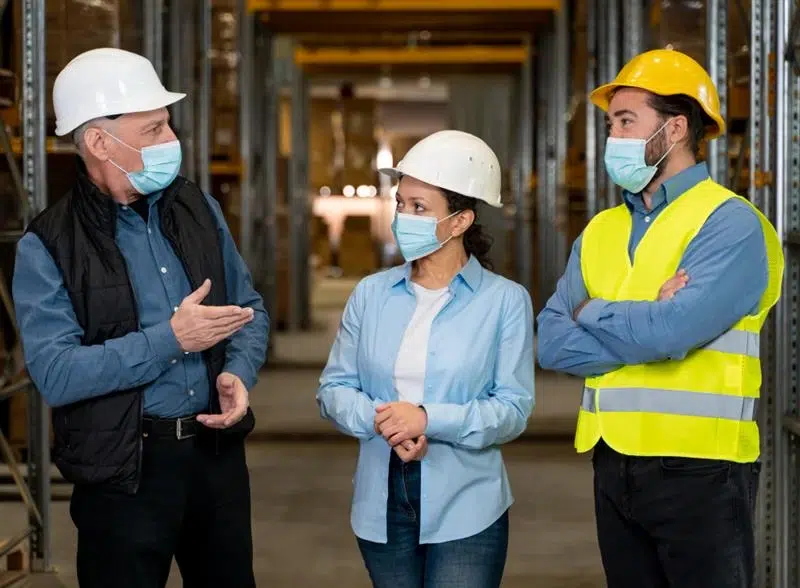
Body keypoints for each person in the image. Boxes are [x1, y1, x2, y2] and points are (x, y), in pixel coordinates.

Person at [12, 48, 268, 588]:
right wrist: (171, 340)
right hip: (122, 474)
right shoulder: (48, 244)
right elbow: (57, 373)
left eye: (168, 124)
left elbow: (250, 309)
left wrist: (236, 374)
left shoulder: (198, 209)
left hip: (214, 460)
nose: (171, 141)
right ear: (100, 143)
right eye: (153, 129)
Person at [536, 48, 784, 588]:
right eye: (610, 124)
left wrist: (592, 310)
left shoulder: (730, 225)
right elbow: (552, 342)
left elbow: (672, 332)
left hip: (701, 470)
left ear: (673, 130)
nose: (613, 138)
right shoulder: (600, 229)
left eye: (626, 122)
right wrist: (647, 324)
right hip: (612, 462)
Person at [317, 130, 535, 588]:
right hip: (381, 498)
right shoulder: (371, 294)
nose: (403, 217)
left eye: (420, 208)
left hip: (467, 504)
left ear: (459, 222)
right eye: (401, 204)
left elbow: (512, 410)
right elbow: (334, 389)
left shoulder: (504, 302)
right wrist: (388, 423)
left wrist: (426, 419)